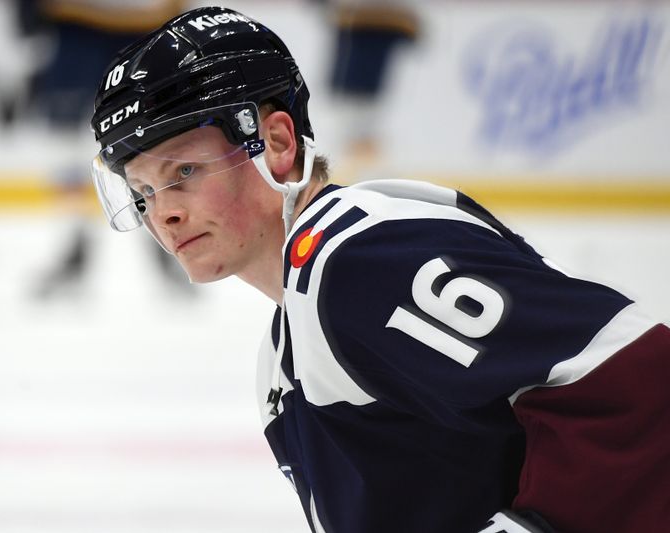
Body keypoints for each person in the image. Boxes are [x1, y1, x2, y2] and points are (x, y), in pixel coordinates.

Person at [87, 7, 670, 532]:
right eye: (142, 192)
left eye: (184, 171)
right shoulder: (284, 351)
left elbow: (637, 378)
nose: (164, 211)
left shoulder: (353, 262)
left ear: (277, 141)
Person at [12, 0, 189, 299]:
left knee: (152, 137)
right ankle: (75, 246)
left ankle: (166, 242)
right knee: (64, 139)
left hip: (142, 22)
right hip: (77, 24)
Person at [324, 0, 421, 183]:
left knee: (362, 130)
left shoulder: (388, 15)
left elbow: (414, 33)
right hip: (352, 84)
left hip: (365, 84)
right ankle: (367, 176)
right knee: (355, 130)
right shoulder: (355, 14)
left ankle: (370, 177)